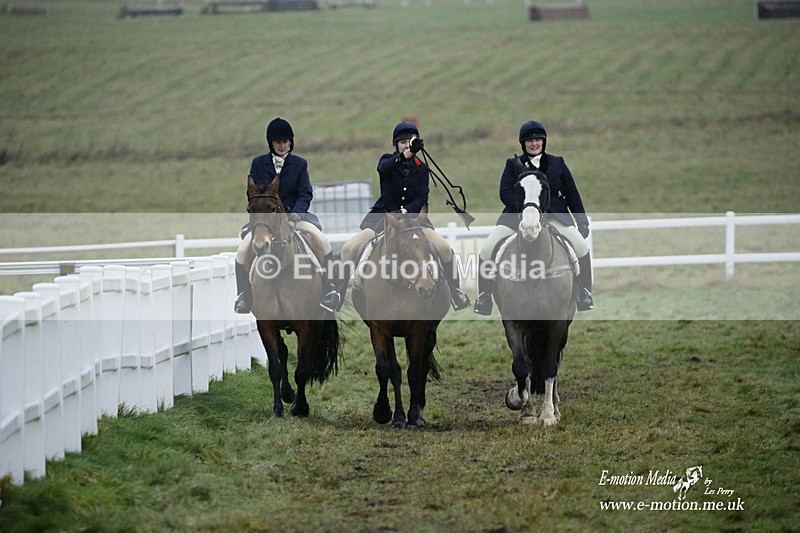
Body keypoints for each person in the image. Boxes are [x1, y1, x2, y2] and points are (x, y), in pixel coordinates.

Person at [320, 121, 471, 312]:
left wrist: (409, 211)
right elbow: (384, 170)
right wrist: (406, 155)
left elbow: (423, 197)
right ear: (396, 145)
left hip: (415, 219)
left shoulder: (422, 169)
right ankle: (338, 294)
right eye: (402, 142)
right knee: (349, 248)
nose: (406, 145)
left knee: (444, 248)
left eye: (410, 142)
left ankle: (455, 291)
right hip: (383, 216)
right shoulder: (387, 161)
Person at [473, 120, 594, 315]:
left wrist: (581, 220)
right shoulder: (513, 164)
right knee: (487, 249)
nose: (534, 143)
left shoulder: (557, 163)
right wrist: (527, 208)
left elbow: (572, 193)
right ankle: (485, 296)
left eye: (538, 140)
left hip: (553, 216)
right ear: (523, 143)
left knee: (580, 246)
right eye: (530, 140)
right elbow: (504, 193)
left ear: (544, 142)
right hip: (517, 218)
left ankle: (584, 292)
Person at [234, 117, 334, 314]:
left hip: (295, 218)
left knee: (324, 242)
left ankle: (328, 290)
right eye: (278, 142)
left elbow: (305, 193)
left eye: (286, 141)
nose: (282, 146)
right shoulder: (258, 164)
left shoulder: (299, 164)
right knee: (241, 251)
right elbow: (252, 193)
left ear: (291, 142)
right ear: (271, 143)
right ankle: (244, 295)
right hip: (265, 220)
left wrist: (296, 213)